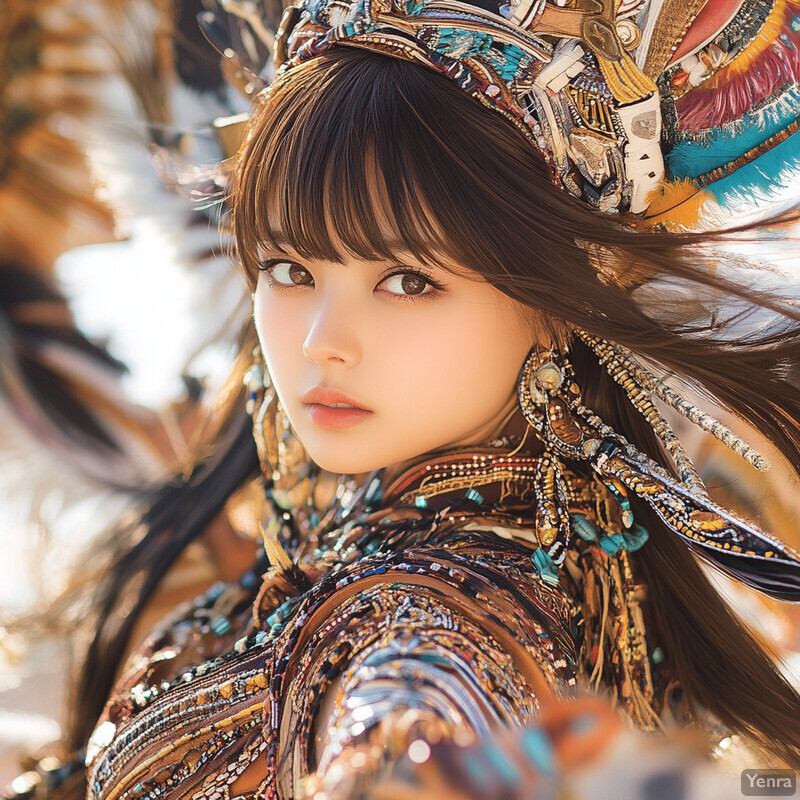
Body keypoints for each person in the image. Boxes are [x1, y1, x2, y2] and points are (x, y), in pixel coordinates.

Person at [7, 0, 800, 797]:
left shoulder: (429, 625)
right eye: (289, 269)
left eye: (407, 280)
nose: (322, 339)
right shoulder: (415, 550)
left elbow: (419, 720)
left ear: (559, 306)